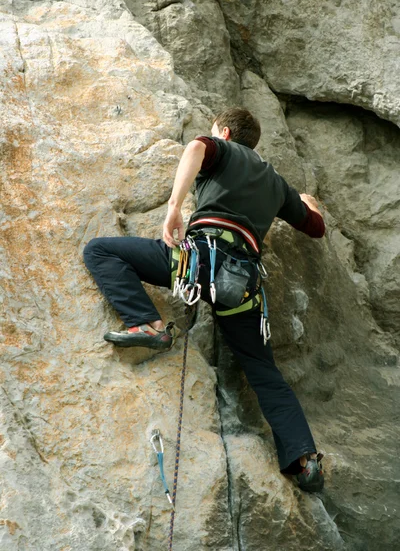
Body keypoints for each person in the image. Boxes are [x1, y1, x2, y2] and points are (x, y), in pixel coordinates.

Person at [83, 107, 325, 493]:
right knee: (265, 374)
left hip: (196, 263)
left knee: (99, 251)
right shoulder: (277, 185)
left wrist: (174, 206)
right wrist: (308, 202)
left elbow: (196, 147)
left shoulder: (224, 150)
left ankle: (148, 325)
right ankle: (305, 460)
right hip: (241, 287)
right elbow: (315, 227)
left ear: (225, 132)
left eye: (216, 132)